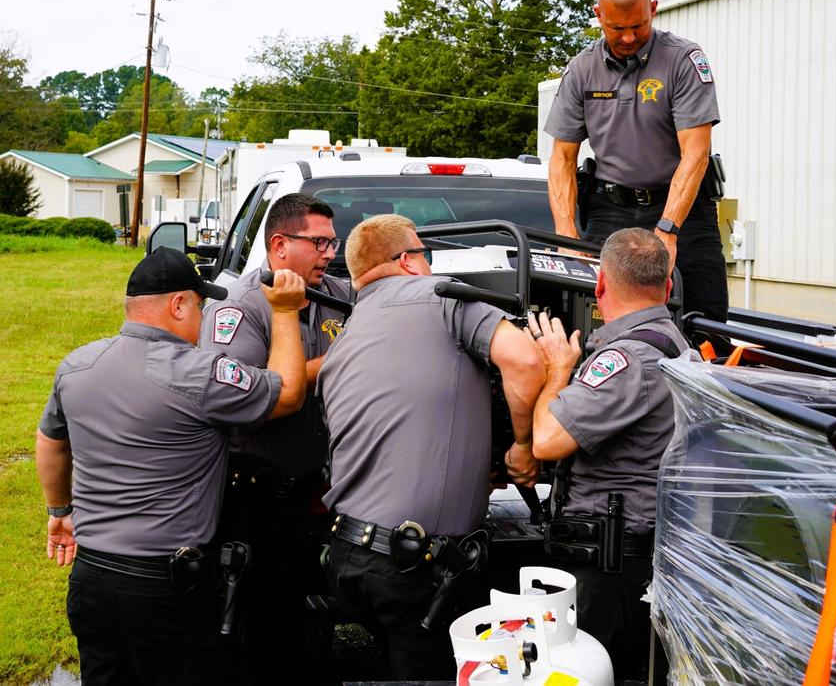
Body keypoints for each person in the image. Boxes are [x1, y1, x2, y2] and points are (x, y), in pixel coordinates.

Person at [35, 247, 307, 686]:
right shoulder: (201, 374)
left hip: (93, 578)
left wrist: (59, 511)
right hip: (166, 587)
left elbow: (50, 441)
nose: (202, 319)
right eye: (200, 307)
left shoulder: (78, 365)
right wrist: (286, 310)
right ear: (178, 304)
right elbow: (289, 393)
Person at [318, 214, 544, 680]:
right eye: (425, 253)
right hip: (414, 567)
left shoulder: (344, 338)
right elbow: (524, 359)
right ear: (408, 261)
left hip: (348, 554)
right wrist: (523, 445)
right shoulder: (442, 296)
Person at [200, 192, 352, 682]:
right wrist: (333, 365)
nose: (331, 252)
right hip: (251, 493)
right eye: (320, 242)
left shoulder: (339, 294)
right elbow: (237, 398)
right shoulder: (242, 307)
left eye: (334, 242)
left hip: (314, 488)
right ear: (280, 245)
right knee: (246, 626)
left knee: (299, 622)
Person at [528, 228, 689, 680]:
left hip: (612, 563)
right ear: (668, 286)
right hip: (639, 549)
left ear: (599, 285)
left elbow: (547, 440)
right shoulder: (675, 343)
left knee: (594, 670)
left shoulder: (628, 359)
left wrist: (558, 367)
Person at [544, 0, 728, 333]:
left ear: (653, 9)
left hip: (682, 212)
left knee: (703, 321)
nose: (628, 37)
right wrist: (567, 236)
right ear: (598, 15)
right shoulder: (582, 70)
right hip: (610, 211)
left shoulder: (682, 60)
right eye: (616, 28)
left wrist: (668, 229)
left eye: (638, 26)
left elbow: (696, 153)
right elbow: (562, 158)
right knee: (593, 319)